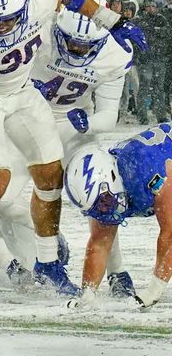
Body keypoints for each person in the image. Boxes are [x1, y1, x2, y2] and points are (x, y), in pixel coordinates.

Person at [0, 0, 147, 307]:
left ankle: (49, 263)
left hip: (28, 97)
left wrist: (112, 21)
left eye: (9, 18)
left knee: (52, 178)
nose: (3, 27)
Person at [21, 0, 136, 295]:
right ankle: (31, 259)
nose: (77, 49)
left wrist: (86, 123)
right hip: (23, 123)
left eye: (87, 45)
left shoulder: (114, 53)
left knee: (103, 191)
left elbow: (108, 116)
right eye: (71, 40)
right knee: (2, 200)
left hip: (75, 129)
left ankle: (118, 272)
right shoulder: (37, 33)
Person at [65, 123, 172, 309]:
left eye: (104, 203)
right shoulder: (109, 188)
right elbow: (100, 242)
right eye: (97, 208)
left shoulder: (146, 171)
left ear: (111, 178)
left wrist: (152, 293)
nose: (104, 212)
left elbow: (170, 234)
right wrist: (88, 295)